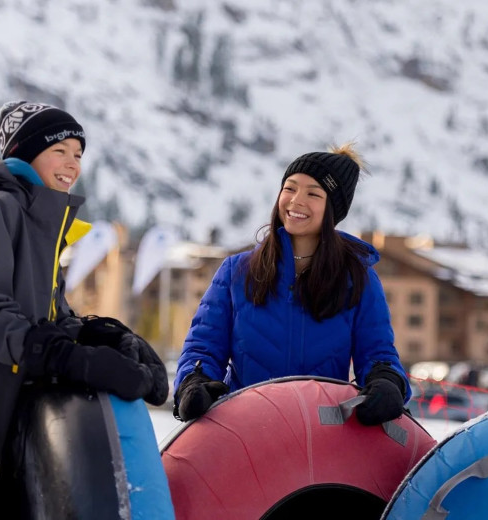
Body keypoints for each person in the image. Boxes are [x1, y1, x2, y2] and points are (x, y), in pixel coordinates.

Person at [0, 101, 168, 519]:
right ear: (25, 153)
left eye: (78, 154)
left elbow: (49, 318)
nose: (72, 164)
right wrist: (61, 354)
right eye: (59, 150)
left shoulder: (40, 228)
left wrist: (102, 336)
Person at [173, 143, 410, 426]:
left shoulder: (357, 278)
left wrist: (387, 381)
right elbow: (203, 347)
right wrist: (193, 382)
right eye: (290, 188)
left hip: (321, 435)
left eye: (313, 193)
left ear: (332, 209)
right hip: (241, 431)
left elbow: (378, 352)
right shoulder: (236, 272)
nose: (296, 200)